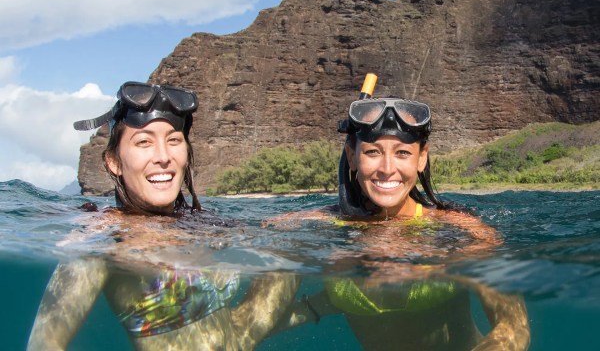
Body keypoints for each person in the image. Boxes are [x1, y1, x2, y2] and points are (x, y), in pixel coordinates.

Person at [28, 81, 297, 351]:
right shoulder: (102, 237)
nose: (163, 156)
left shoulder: (205, 223)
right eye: (144, 142)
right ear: (114, 161)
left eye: (173, 140)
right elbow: (44, 344)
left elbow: (279, 266)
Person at [271, 76, 530, 350]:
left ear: (421, 158)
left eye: (403, 153)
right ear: (352, 157)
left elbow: (513, 328)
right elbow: (292, 297)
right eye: (372, 151)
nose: (387, 168)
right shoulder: (313, 226)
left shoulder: (463, 229)